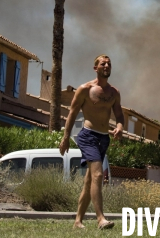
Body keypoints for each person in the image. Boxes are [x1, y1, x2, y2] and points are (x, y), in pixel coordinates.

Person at [59, 54, 124, 230]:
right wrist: (65, 138)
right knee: (97, 175)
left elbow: (119, 115)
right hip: (88, 136)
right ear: (96, 68)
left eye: (109, 63)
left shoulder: (114, 93)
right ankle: (100, 219)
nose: (107, 66)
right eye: (103, 63)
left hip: (104, 138)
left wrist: (119, 127)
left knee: (89, 181)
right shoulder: (85, 89)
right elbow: (72, 113)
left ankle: (77, 221)